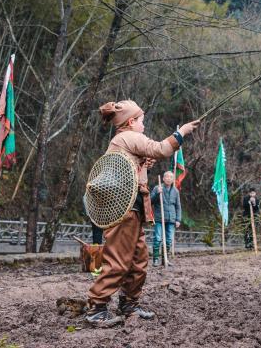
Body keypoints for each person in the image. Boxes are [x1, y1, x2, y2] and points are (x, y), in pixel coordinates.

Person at [85, 100, 199, 326]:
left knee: (138, 260)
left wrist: (143, 165)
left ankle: (129, 304)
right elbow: (161, 149)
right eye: (142, 122)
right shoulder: (128, 137)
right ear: (131, 122)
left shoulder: (124, 141)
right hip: (124, 211)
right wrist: (181, 132)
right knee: (118, 261)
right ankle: (97, 308)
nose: (144, 126)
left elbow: (135, 172)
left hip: (132, 210)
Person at [151, 171, 181, 267]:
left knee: (168, 240)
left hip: (171, 219)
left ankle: (165, 260)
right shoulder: (157, 188)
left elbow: (178, 206)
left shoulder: (175, 191)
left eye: (170, 177)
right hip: (160, 218)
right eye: (166, 177)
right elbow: (150, 201)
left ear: (173, 180)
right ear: (163, 178)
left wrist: (178, 219)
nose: (168, 178)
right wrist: (157, 194)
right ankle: (155, 259)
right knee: (158, 238)